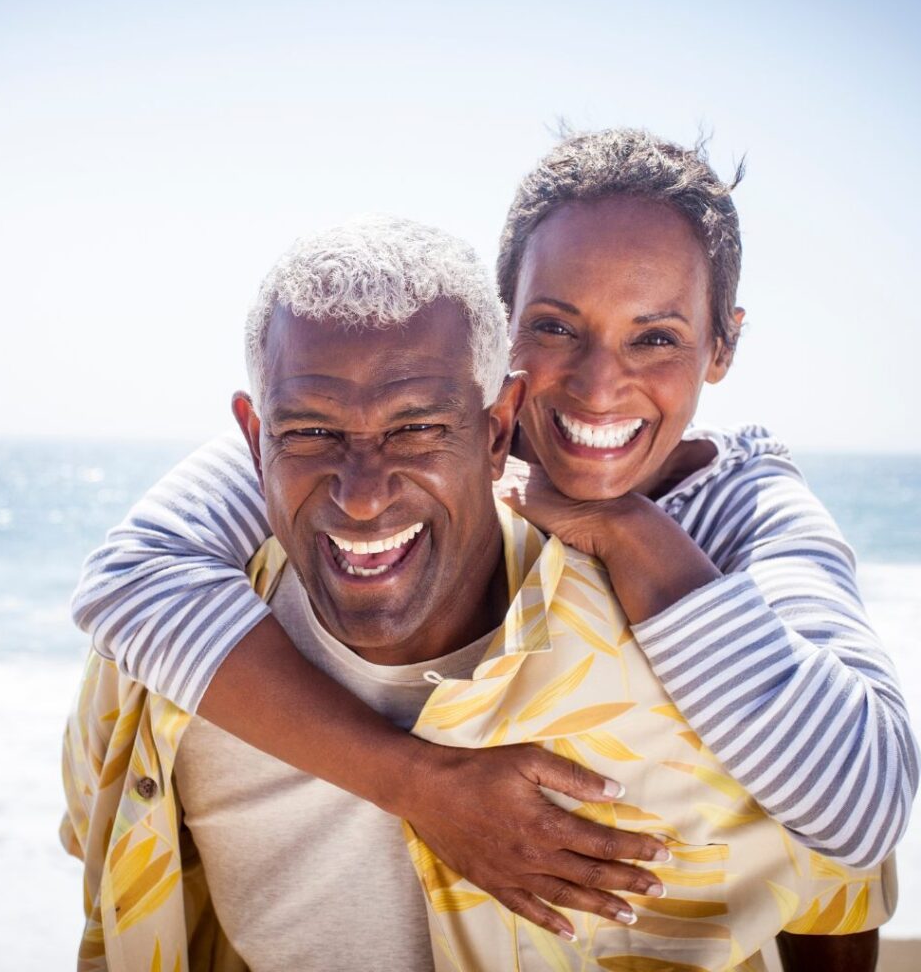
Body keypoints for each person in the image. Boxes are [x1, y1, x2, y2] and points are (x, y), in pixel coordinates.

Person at [70, 130, 918, 941]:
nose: (598, 386)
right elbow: (131, 579)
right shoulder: (396, 432)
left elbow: (864, 803)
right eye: (555, 327)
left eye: (656, 338)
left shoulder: (744, 508)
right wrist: (417, 786)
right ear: (500, 331)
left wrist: (627, 530)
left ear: (723, 345)